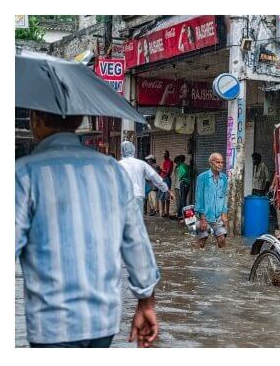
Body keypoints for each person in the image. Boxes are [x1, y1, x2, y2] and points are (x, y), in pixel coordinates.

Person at [16, 110, 160, 347]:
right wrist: (146, 302)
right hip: (103, 321)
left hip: (51, 323)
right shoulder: (112, 171)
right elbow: (136, 242)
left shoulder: (24, 173)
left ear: (36, 120)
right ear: (79, 121)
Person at [118, 140, 168, 216]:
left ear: (121, 151)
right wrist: (166, 189)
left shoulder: (117, 165)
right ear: (133, 151)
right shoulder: (142, 164)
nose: (148, 161)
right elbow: (155, 177)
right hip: (137, 196)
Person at [194, 152, 229, 249]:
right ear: (211, 163)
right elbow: (199, 198)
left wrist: (224, 214)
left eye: (222, 162)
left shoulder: (224, 178)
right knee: (202, 241)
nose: (220, 164)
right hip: (204, 215)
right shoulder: (202, 178)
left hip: (217, 216)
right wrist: (202, 218)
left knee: (222, 240)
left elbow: (224, 197)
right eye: (218, 162)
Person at [173, 155, 192, 219]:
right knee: (183, 200)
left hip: (183, 183)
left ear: (180, 161)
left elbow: (184, 172)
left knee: (183, 200)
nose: (176, 164)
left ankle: (187, 217)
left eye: (177, 162)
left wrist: (181, 178)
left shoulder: (181, 166)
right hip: (187, 184)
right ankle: (180, 215)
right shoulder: (186, 166)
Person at [159, 151, 174, 217]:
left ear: (167, 155)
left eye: (164, 154)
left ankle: (167, 212)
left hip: (166, 179)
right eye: (163, 154)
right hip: (162, 179)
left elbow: (167, 172)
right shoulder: (164, 161)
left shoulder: (170, 162)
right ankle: (162, 212)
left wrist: (161, 169)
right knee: (162, 197)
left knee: (167, 197)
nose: (163, 155)